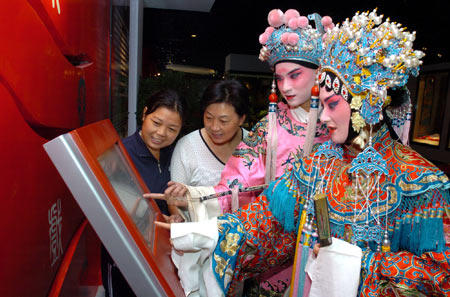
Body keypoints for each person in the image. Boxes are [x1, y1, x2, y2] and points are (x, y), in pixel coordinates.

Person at [157, 10, 450, 297]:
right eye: (319, 105)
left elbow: (441, 275)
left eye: (332, 104)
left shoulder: (422, 183)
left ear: (367, 103)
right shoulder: (317, 165)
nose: (321, 117)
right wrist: (208, 234)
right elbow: (266, 221)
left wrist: (360, 267)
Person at [159, 9, 331, 223]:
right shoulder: (271, 125)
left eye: (295, 75)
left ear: (319, 73)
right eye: (279, 78)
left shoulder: (339, 123)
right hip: (276, 234)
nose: (285, 87)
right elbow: (239, 182)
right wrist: (195, 198)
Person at [101, 89, 185, 297]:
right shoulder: (121, 156)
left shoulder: (173, 153)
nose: (161, 134)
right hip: (125, 257)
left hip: (161, 255)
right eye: (156, 123)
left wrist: (177, 216)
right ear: (145, 114)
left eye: (172, 129)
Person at [170, 79, 250, 187]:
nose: (214, 127)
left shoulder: (254, 145)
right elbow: (175, 201)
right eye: (209, 118)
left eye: (223, 121)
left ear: (241, 119)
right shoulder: (187, 147)